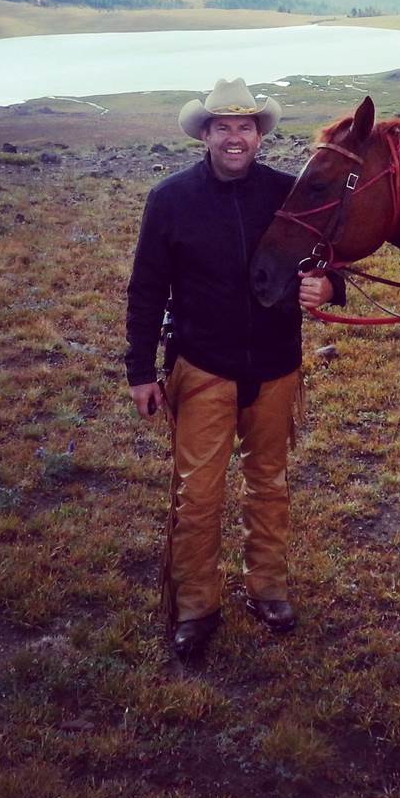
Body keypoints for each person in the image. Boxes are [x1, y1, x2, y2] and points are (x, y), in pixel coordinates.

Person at [125, 77, 342, 663]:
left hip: (275, 365)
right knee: (198, 493)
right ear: (205, 134)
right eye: (223, 126)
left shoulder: (287, 192)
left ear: (259, 134)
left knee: (269, 481)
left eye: (245, 126)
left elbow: (326, 259)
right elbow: (146, 290)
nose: (235, 137)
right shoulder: (170, 200)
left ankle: (267, 588)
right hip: (203, 366)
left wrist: (330, 284)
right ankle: (196, 605)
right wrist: (141, 370)